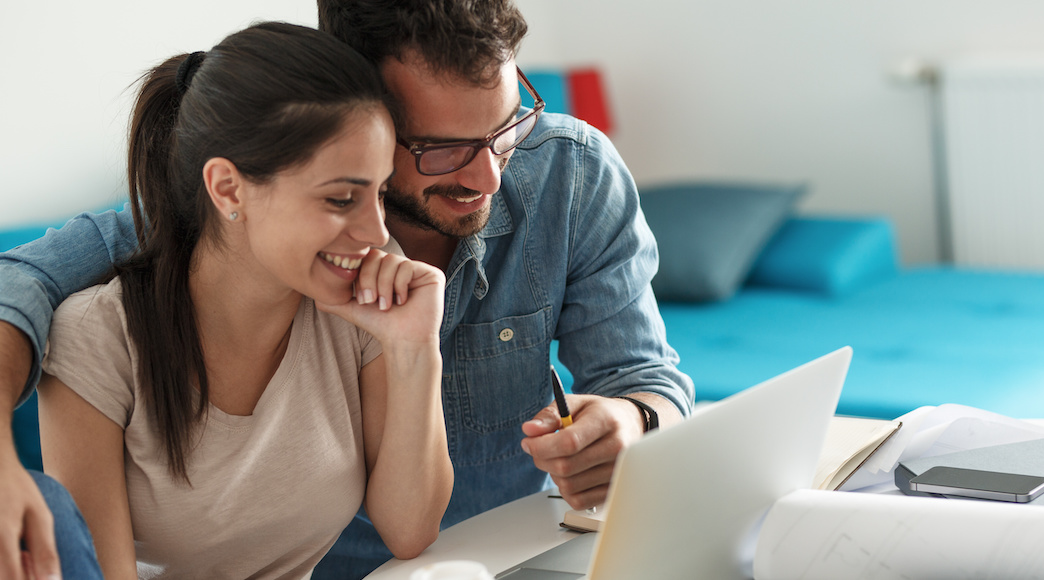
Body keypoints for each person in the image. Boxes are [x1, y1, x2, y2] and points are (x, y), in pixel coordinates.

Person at [0, 0, 694, 577]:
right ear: (363, 116)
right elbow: (19, 280)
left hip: (508, 551)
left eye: (508, 125)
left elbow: (648, 378)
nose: (489, 178)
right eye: (441, 148)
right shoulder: (220, 231)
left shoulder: (568, 172)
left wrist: (634, 421)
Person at [34, 20, 451, 578]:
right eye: (341, 198)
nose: (376, 232)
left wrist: (414, 349)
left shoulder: (360, 303)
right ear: (229, 189)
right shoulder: (97, 340)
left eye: (378, 193)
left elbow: (409, 530)